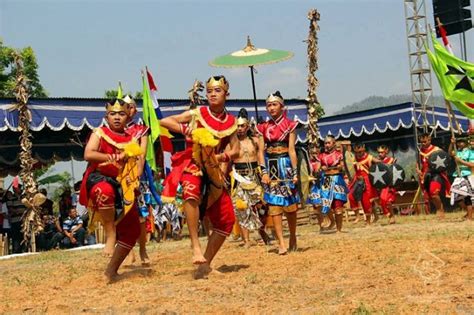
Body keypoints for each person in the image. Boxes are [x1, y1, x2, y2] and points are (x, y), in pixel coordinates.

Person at [160, 75, 239, 278]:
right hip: (193, 164)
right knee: (191, 192)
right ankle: (195, 245)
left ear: (226, 95)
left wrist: (224, 156)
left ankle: (205, 264)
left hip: (215, 169)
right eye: (210, 91)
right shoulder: (199, 113)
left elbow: (236, 148)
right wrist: (187, 130)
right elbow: (166, 121)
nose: (212, 94)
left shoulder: (231, 121)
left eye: (217, 91)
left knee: (226, 221)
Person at [79, 98, 141, 282]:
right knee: (103, 191)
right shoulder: (99, 133)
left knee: (132, 231)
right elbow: (88, 154)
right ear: (107, 116)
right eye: (112, 114)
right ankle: (110, 234)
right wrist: (114, 156)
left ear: (127, 116)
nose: (116, 117)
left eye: (121, 114)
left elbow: (136, 160)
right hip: (100, 179)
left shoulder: (131, 137)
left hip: (123, 184)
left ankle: (111, 271)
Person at [257, 91, 299, 255]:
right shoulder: (263, 127)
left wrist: (295, 172)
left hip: (286, 165)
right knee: (274, 205)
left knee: (290, 205)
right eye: (268, 105)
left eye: (274, 104)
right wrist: (264, 172)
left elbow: (292, 150)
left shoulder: (290, 125)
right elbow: (260, 151)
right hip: (271, 164)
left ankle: (293, 235)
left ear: (282, 106)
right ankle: (281, 243)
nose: (271, 107)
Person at [230, 108, 269, 247]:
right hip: (239, 177)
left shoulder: (255, 140)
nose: (239, 129)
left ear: (247, 126)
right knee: (242, 208)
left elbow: (261, 157)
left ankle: (262, 231)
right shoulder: (231, 142)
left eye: (242, 126)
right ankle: (246, 240)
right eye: (237, 126)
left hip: (254, 176)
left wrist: (264, 173)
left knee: (262, 206)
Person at [123, 94, 151, 266]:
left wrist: (138, 174)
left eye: (132, 106)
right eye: (126, 106)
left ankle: (142, 249)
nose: (129, 110)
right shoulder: (115, 130)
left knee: (141, 214)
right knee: (124, 214)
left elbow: (142, 152)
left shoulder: (142, 129)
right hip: (121, 175)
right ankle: (128, 251)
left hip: (137, 174)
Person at [309, 135, 349, 232]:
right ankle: (332, 222)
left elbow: (345, 167)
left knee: (338, 204)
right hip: (326, 180)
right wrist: (320, 169)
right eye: (325, 143)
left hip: (337, 180)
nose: (326, 145)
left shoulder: (340, 155)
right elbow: (317, 171)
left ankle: (339, 229)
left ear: (334, 143)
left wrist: (340, 166)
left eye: (328, 142)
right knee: (326, 204)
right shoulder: (321, 156)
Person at [417, 133, 451, 219]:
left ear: (429, 140)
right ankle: (439, 208)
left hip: (436, 174)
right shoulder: (421, 151)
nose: (423, 143)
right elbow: (419, 163)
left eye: (424, 141)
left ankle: (440, 209)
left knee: (434, 193)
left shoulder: (436, 150)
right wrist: (418, 170)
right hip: (426, 175)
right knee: (430, 195)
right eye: (421, 142)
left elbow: (446, 160)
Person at [348, 143, 380, 225]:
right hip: (357, 180)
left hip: (367, 180)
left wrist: (388, 164)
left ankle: (369, 221)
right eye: (357, 152)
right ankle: (358, 216)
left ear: (363, 150)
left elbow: (379, 163)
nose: (358, 153)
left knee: (367, 201)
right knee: (351, 196)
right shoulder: (354, 158)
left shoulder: (369, 157)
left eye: (360, 152)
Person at [449, 136, 474, 221]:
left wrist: (460, 161)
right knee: (456, 195)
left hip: (466, 175)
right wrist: (452, 144)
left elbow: (472, 165)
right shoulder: (457, 152)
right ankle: (469, 212)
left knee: (467, 196)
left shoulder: (471, 152)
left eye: (461, 142)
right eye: (458, 142)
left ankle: (470, 217)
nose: (460, 143)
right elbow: (449, 153)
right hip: (457, 175)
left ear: (465, 142)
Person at [377, 145, 397, 224]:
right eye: (379, 152)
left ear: (386, 152)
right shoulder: (378, 162)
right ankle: (389, 215)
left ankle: (392, 216)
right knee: (382, 201)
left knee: (388, 201)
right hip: (382, 185)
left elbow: (395, 171)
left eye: (381, 152)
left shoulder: (391, 160)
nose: (380, 154)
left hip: (390, 184)